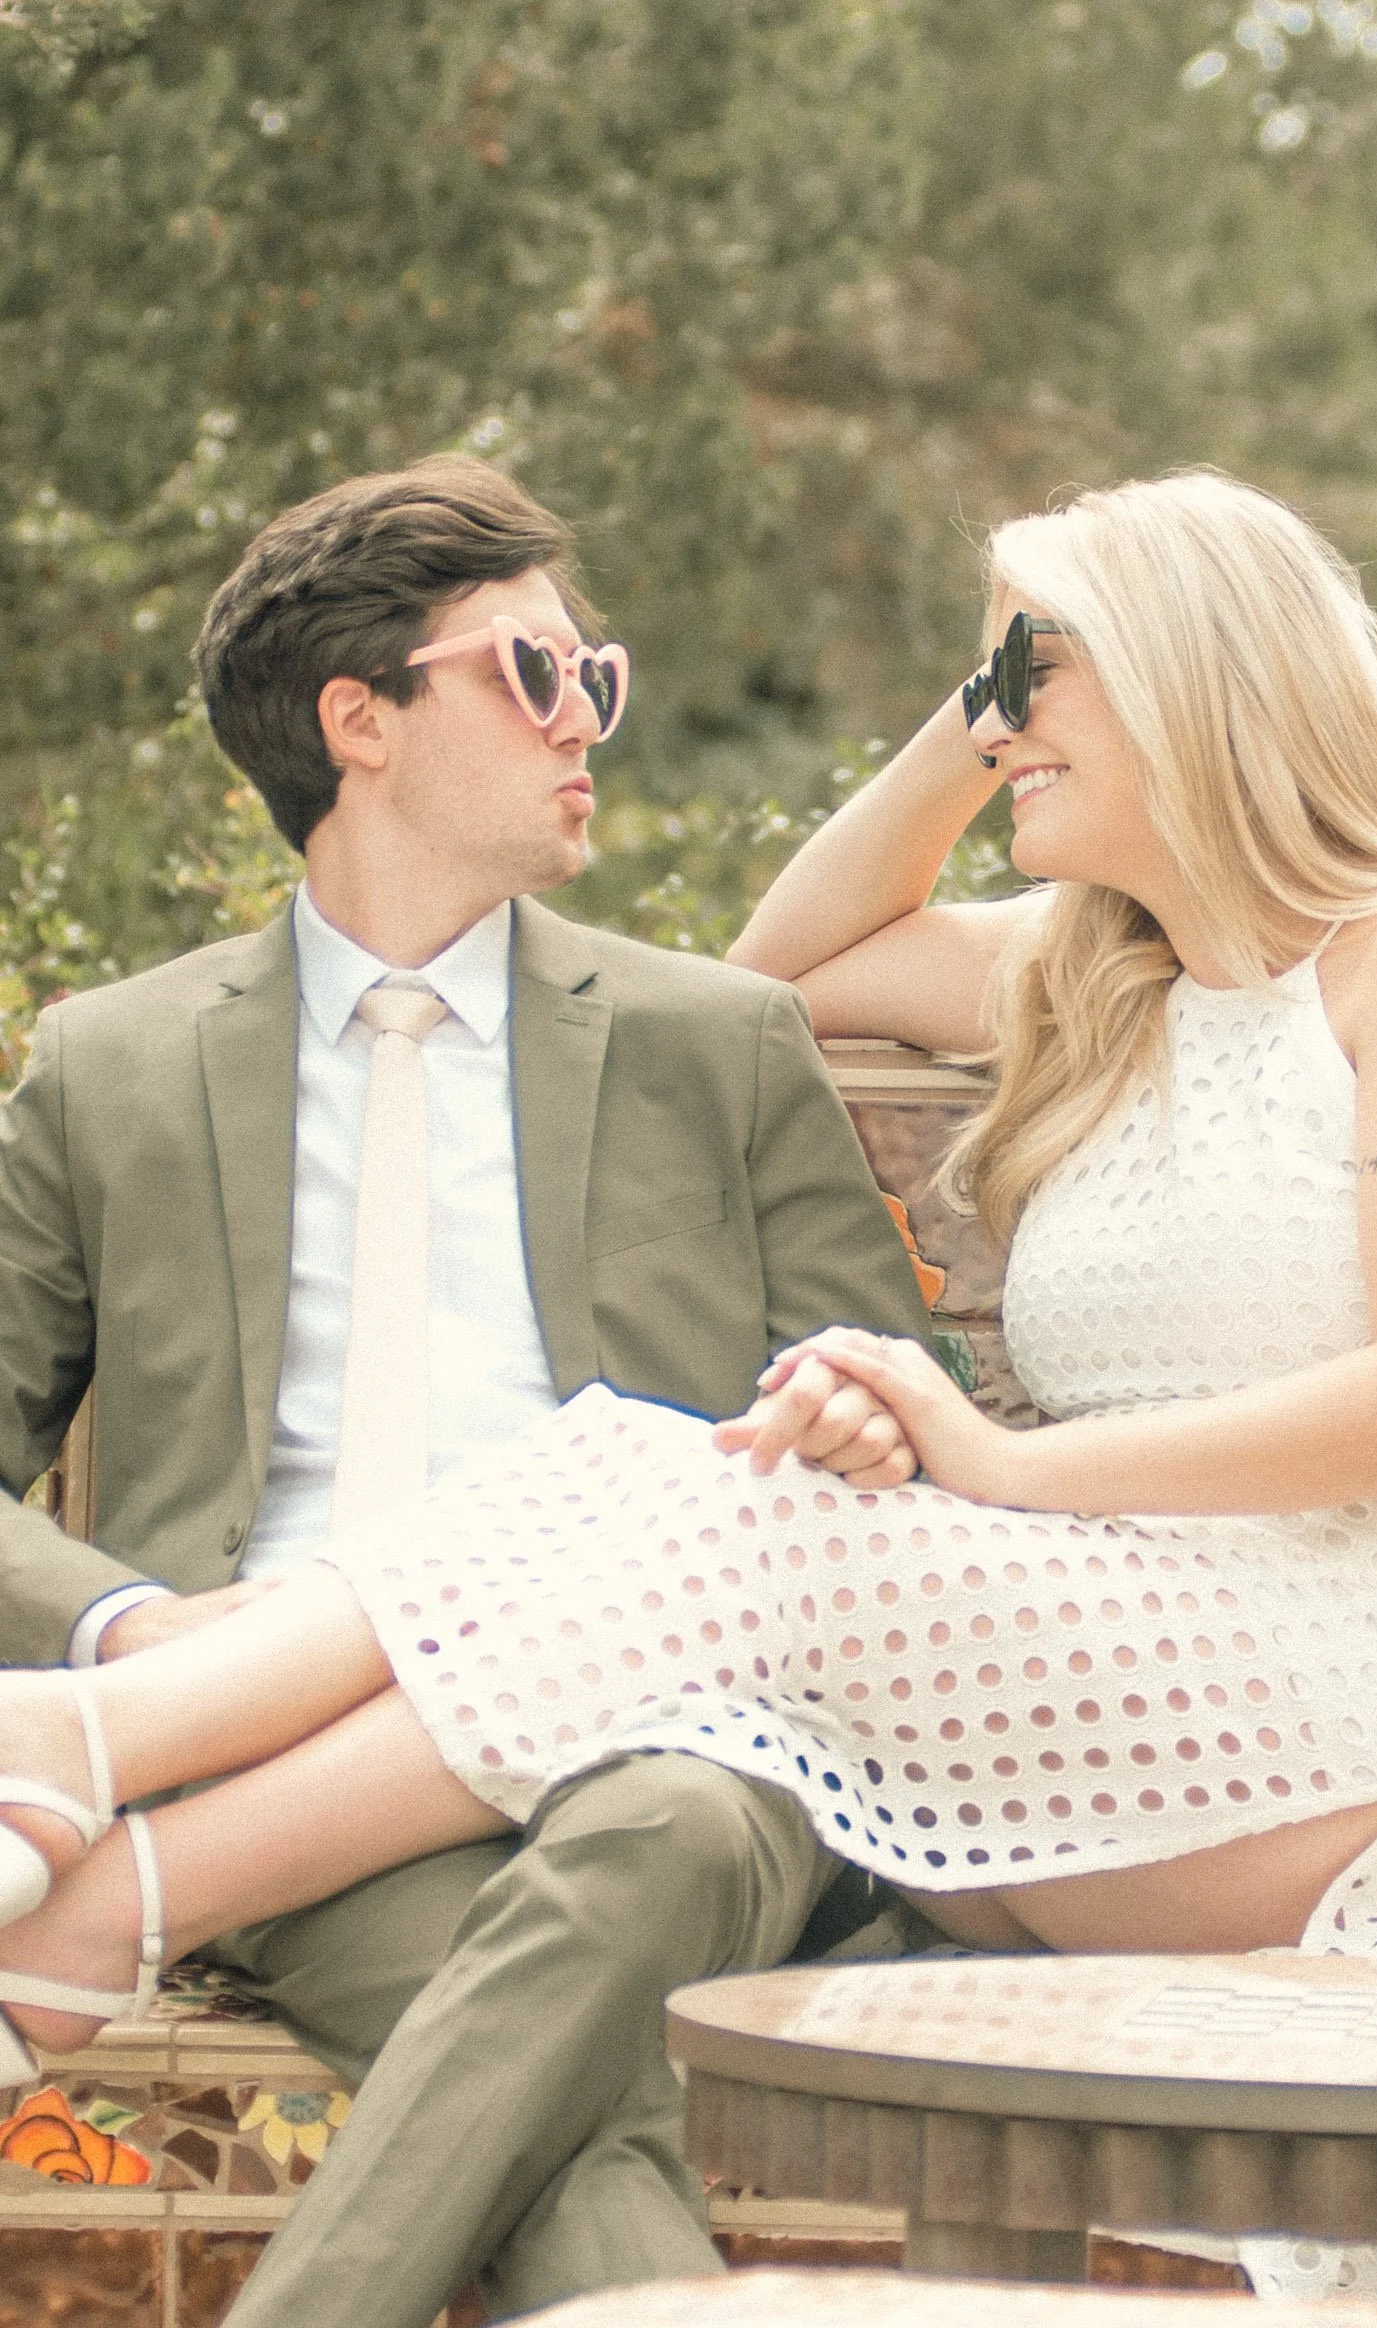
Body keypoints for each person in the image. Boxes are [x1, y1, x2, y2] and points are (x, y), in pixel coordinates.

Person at [3, 461, 1377, 2298]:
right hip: (1142, 1688)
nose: (1004, 724)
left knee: (716, 1503)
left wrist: (987, 1464)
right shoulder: (1105, 979)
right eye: (999, 680)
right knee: (666, 1477)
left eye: (1038, 671)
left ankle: (95, 1793)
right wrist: (991, 705)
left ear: (1196, 672)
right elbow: (796, 963)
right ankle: (109, 1827)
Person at [0, 456, 936, 2321]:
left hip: (684, 1720)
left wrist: (861, 1417)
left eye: (599, 674)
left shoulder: (716, 1043)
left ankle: (137, 1892)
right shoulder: (112, 1066)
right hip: (290, 1761)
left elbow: (893, 1405)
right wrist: (137, 1631)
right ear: (358, 720)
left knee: (678, 1824)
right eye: (533, 671)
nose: (586, 717)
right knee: (574, 2110)